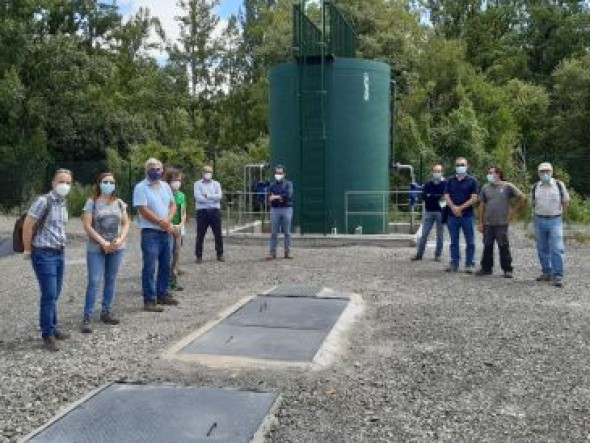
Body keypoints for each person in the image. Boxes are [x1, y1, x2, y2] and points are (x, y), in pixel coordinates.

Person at [22, 168, 73, 351]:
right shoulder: (43, 201)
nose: (65, 185)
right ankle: (47, 334)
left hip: (59, 253)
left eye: (68, 182)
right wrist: (28, 250)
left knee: (55, 292)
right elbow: (28, 225)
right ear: (53, 183)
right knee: (49, 293)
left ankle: (53, 326)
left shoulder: (63, 203)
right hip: (43, 253)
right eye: (61, 181)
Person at [80, 172, 130, 333]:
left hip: (116, 247)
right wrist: (103, 243)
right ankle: (87, 316)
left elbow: (126, 223)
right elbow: (87, 226)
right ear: (99, 183)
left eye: (112, 182)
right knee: (94, 280)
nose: (109, 184)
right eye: (106, 181)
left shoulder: (120, 203)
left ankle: (106, 311)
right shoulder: (91, 203)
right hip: (96, 248)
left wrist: (120, 240)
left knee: (111, 279)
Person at [133, 158, 178, 311]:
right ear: (146, 170)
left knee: (166, 265)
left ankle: (163, 294)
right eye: (153, 168)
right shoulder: (140, 187)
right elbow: (142, 209)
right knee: (150, 267)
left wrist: (168, 221)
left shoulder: (165, 186)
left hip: (166, 232)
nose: (156, 171)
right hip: (150, 233)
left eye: (159, 168)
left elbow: (173, 205)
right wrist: (160, 222)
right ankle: (149, 300)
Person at [475, 166, 525, 278]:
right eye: (488, 173)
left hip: (502, 223)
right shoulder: (485, 188)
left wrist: (513, 211)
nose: (489, 175)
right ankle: (486, 268)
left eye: (491, 172)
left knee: (503, 246)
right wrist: (480, 222)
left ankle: (507, 269)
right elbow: (481, 205)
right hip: (488, 223)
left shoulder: (507, 186)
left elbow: (522, 197)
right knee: (487, 246)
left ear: (498, 174)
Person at [531, 162, 570, 287]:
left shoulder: (559, 185)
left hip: (555, 220)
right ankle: (546, 273)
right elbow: (533, 203)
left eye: (547, 171)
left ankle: (558, 276)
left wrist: (561, 214)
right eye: (542, 171)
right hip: (539, 219)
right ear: (538, 173)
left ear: (552, 172)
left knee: (557, 248)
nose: (545, 173)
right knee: (542, 248)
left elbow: (566, 201)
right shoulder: (535, 186)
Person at [443, 157, 479, 273]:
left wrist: (460, 208)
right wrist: (453, 207)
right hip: (452, 216)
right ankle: (454, 263)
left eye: (462, 164)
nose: (460, 167)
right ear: (455, 166)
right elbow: (446, 196)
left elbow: (474, 198)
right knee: (454, 241)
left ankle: (470, 264)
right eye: (458, 165)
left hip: (467, 216)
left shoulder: (472, 181)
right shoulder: (450, 180)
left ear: (467, 166)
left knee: (470, 241)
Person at [411, 164, 446, 262]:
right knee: (424, 234)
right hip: (429, 212)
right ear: (432, 172)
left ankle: (438, 255)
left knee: (440, 235)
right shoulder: (428, 184)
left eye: (439, 171)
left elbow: (444, 197)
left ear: (442, 172)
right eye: (435, 171)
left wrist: (431, 195)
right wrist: (436, 196)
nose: (437, 173)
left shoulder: (445, 184)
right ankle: (419, 255)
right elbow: (423, 196)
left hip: (440, 212)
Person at [194, 165, 224, 263]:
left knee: (218, 234)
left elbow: (219, 196)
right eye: (206, 172)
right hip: (202, 212)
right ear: (202, 173)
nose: (207, 174)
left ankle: (220, 254)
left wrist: (207, 196)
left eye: (209, 172)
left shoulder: (216, 184)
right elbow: (198, 198)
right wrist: (212, 198)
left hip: (215, 211)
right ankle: (198, 256)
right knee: (200, 234)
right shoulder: (197, 184)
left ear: (212, 173)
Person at [267, 165, 294, 259]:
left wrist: (276, 196)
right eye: (276, 173)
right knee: (274, 232)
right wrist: (279, 197)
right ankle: (272, 252)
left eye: (280, 173)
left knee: (287, 232)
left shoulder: (289, 184)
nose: (278, 174)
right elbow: (269, 197)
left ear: (284, 174)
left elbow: (288, 195)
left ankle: (288, 252)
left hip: (287, 209)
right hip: (275, 210)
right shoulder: (272, 185)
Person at [166, 168, 186, 291]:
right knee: (167, 255)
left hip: (178, 228)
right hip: (167, 228)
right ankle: (164, 282)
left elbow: (183, 213)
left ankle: (173, 280)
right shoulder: (165, 194)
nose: (177, 183)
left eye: (179, 180)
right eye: (174, 180)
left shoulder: (181, 195)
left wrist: (180, 224)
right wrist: (169, 225)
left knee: (176, 254)